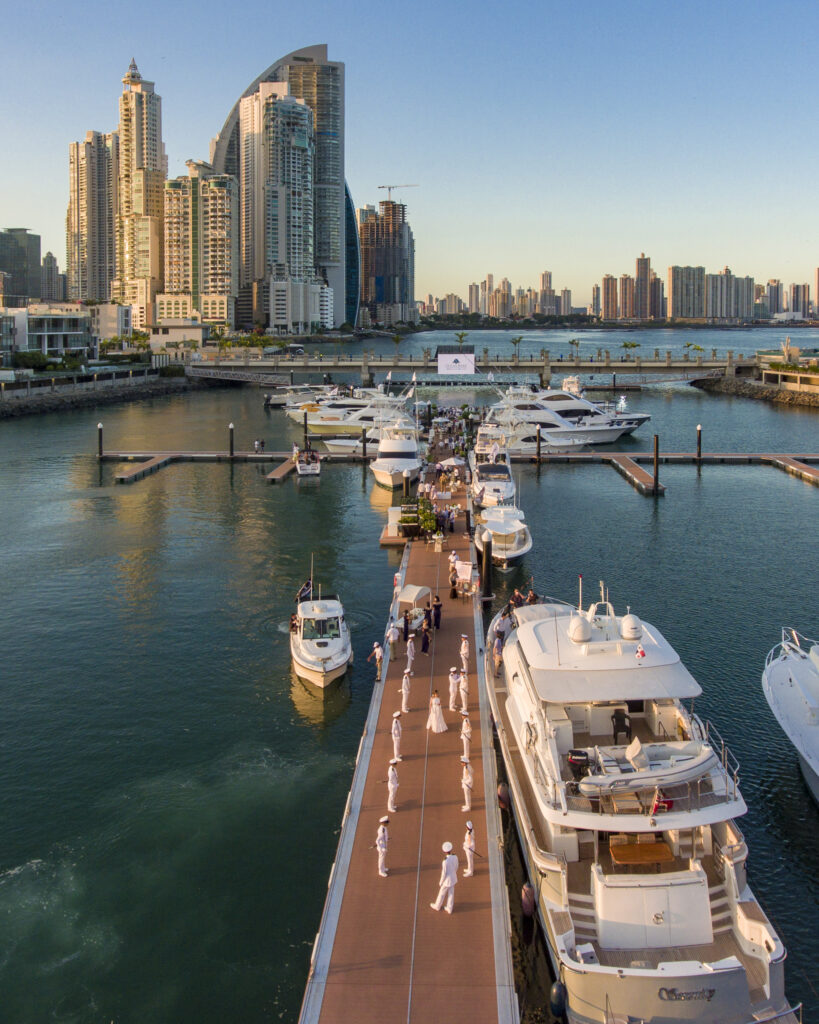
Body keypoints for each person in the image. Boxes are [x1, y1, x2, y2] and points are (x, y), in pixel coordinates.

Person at [430, 841, 459, 914]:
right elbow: (456, 866)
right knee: (451, 893)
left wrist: (441, 882)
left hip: (447, 880)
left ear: (445, 851)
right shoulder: (455, 856)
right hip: (453, 878)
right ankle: (449, 908)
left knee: (441, 893)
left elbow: (444, 873)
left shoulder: (445, 861)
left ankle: (437, 906)